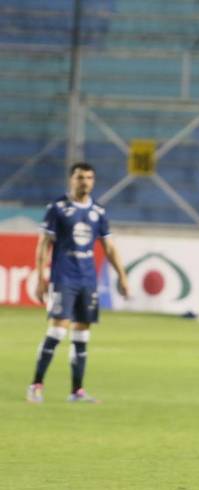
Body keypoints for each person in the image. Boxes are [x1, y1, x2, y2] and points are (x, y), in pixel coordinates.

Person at [26, 162, 129, 404]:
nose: (85, 182)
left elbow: (109, 247)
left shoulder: (98, 212)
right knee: (57, 330)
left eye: (89, 178)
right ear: (72, 179)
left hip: (87, 280)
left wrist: (122, 276)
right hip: (64, 278)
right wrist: (41, 277)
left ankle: (77, 391)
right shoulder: (58, 209)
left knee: (82, 336)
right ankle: (36, 385)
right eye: (81, 177)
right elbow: (43, 245)